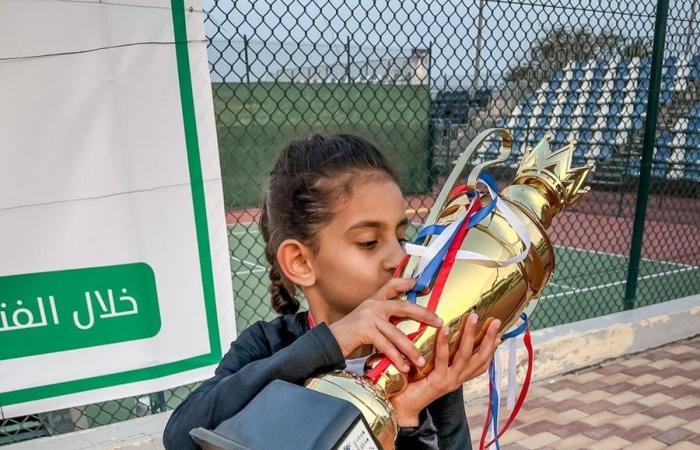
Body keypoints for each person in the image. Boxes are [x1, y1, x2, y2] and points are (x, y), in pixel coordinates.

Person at [163, 134, 501, 449]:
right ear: (300, 262)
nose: (400, 257)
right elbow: (182, 436)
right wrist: (330, 342)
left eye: (401, 237)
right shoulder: (266, 345)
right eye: (369, 242)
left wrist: (407, 413)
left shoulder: (419, 352)